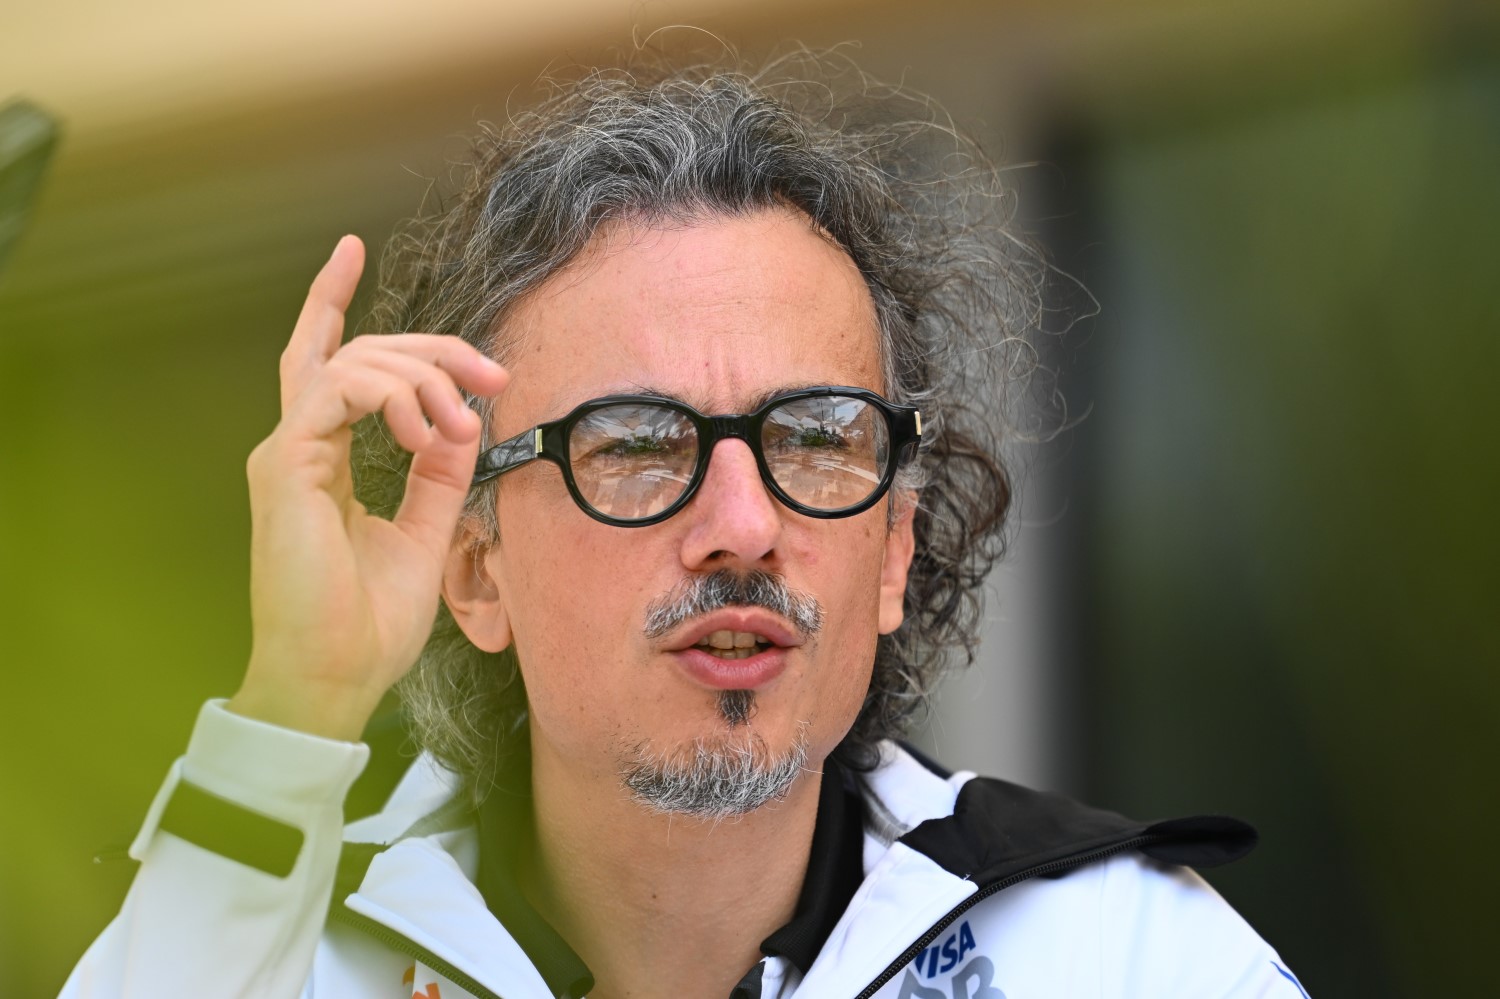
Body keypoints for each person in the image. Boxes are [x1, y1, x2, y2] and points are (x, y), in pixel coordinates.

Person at [62, 50, 1308, 999]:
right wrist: (294, 707)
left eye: (817, 435)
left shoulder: (1124, 958)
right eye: (641, 444)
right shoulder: (267, 951)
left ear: (896, 551)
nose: (742, 525)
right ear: (475, 568)